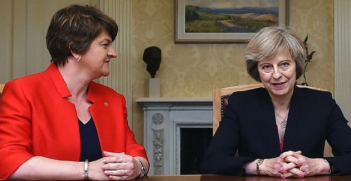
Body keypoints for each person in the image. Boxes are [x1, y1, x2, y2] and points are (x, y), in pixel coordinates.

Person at [0, 4, 149, 180]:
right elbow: (8, 161)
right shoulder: (22, 91)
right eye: (105, 45)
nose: (113, 53)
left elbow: (137, 154)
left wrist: (137, 167)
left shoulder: (114, 99)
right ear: (75, 49)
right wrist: (87, 170)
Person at [201, 26, 351, 178]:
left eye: (284, 64)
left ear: (296, 66)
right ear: (257, 71)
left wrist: (318, 165)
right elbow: (212, 161)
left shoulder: (321, 103)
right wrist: (261, 166)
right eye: (267, 67)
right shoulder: (240, 103)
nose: (277, 75)